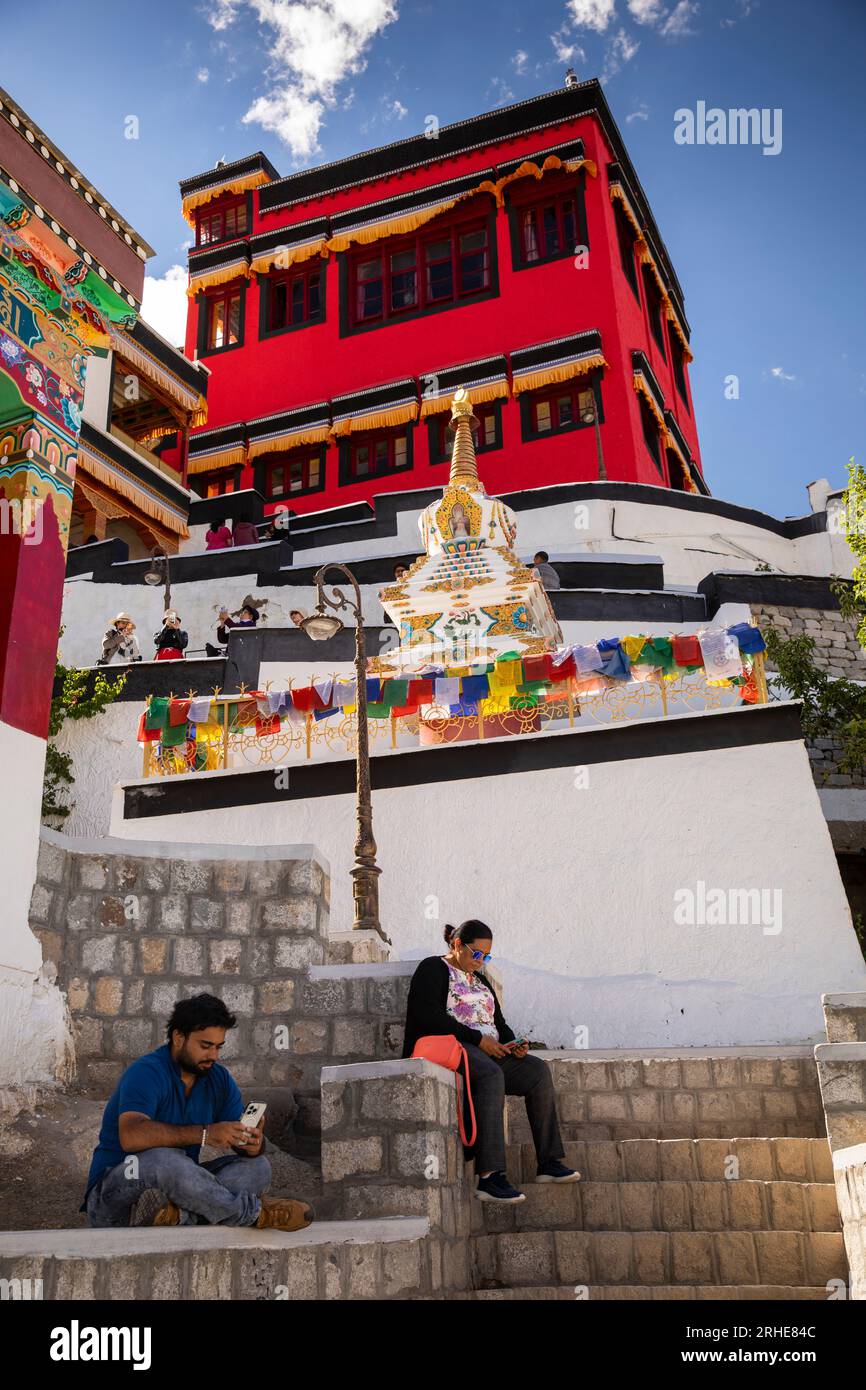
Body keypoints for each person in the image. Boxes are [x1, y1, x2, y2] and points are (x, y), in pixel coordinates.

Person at [82, 993, 313, 1231]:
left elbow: (239, 1138)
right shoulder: (146, 1072)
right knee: (164, 1159)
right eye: (205, 1046)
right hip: (116, 1196)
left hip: (177, 1190)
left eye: (218, 1047)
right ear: (178, 1038)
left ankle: (179, 1216)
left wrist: (252, 1144)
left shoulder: (218, 1079)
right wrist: (205, 1134)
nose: (213, 1055)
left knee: (258, 1167)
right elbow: (131, 1136)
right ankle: (256, 1216)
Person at [403, 920, 579, 1203]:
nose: (481, 961)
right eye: (476, 954)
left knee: (537, 1071)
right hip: (454, 1045)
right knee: (490, 1074)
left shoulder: (481, 981)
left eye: (486, 956)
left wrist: (512, 1044)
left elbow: (498, 1023)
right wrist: (475, 1038)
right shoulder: (433, 969)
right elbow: (428, 1016)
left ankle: (549, 1162)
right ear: (458, 944)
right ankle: (490, 1176)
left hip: (486, 1049)